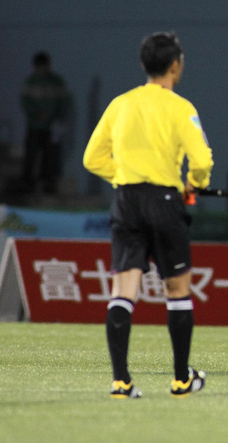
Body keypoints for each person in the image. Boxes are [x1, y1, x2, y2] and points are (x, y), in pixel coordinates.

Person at [83, 31, 212, 399]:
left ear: (144, 64)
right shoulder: (181, 107)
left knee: (123, 292)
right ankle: (181, 379)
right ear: (175, 66)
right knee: (177, 290)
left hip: (126, 200)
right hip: (166, 200)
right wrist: (194, 183)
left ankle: (121, 381)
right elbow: (202, 160)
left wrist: (123, 177)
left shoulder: (120, 104)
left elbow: (92, 158)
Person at [21, 51, 72, 194]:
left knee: (50, 155)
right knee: (31, 153)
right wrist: (36, 114)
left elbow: (65, 103)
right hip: (34, 126)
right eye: (40, 67)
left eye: (45, 66)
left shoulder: (56, 82)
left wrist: (55, 116)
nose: (43, 70)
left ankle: (48, 182)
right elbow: (24, 102)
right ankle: (28, 183)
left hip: (52, 127)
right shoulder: (30, 82)